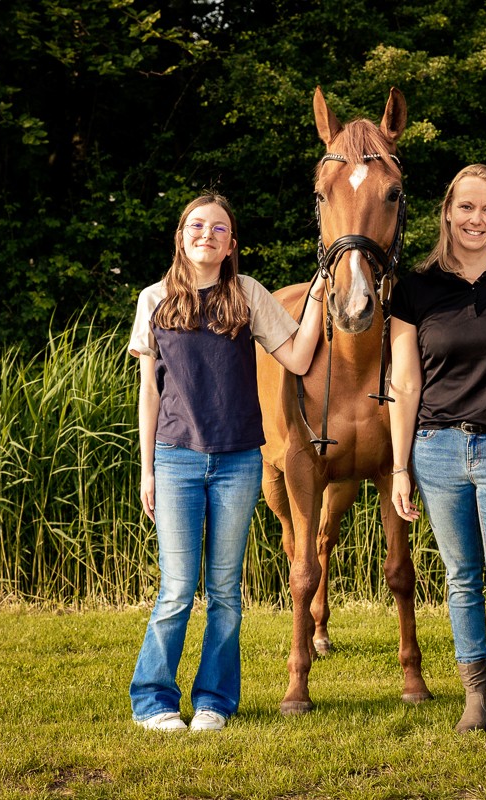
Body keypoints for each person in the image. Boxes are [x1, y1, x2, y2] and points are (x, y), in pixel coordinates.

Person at [127, 193, 324, 733]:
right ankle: (153, 701)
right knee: (175, 589)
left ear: (231, 243)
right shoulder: (155, 299)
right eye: (197, 226)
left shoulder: (248, 295)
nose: (207, 235)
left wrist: (319, 298)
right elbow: (149, 393)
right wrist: (146, 469)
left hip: (239, 460)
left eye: (219, 229)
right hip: (175, 460)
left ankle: (215, 701)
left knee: (225, 592)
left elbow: (300, 357)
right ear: (181, 235)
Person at [388, 164, 486, 734]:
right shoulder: (414, 286)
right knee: (461, 578)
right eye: (467, 207)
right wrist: (400, 465)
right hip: (435, 451)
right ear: (447, 212)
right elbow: (404, 384)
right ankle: (474, 695)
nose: (476, 219)